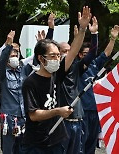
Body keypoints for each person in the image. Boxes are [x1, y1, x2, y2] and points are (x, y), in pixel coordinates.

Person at [20, 6, 91, 153]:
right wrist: (58, 111)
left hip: (57, 139)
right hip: (37, 142)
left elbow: (73, 52)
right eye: (53, 56)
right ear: (41, 58)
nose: (57, 59)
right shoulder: (30, 82)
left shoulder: (57, 74)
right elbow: (33, 115)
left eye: (58, 55)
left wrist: (83, 29)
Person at [58, 16, 99, 154]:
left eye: (70, 51)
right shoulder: (56, 71)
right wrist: (81, 31)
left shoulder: (76, 68)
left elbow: (92, 54)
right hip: (62, 123)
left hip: (79, 120)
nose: (68, 54)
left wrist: (93, 34)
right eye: (64, 51)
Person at [79, 25, 119, 154]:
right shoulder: (76, 69)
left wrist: (112, 39)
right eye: (85, 54)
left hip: (95, 112)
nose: (88, 57)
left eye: (88, 54)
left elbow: (106, 54)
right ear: (80, 55)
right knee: (81, 144)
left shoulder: (95, 66)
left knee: (92, 144)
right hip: (82, 112)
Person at [0, 30, 33, 154]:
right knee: (9, 149)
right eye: (11, 55)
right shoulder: (2, 73)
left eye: (16, 54)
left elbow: (37, 60)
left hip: (23, 117)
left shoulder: (23, 70)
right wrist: (8, 46)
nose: (14, 56)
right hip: (9, 118)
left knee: (23, 149)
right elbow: (1, 62)